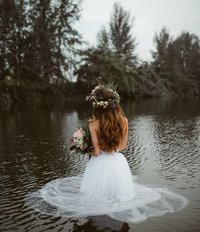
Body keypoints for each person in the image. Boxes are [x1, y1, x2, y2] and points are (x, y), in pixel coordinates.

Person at [26, 85, 188, 223]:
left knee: (97, 197)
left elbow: (96, 151)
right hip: (118, 162)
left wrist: (84, 147)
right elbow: (123, 146)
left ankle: (99, 222)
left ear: (97, 105)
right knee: (119, 195)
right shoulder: (124, 121)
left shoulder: (93, 122)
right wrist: (111, 149)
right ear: (115, 104)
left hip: (99, 163)